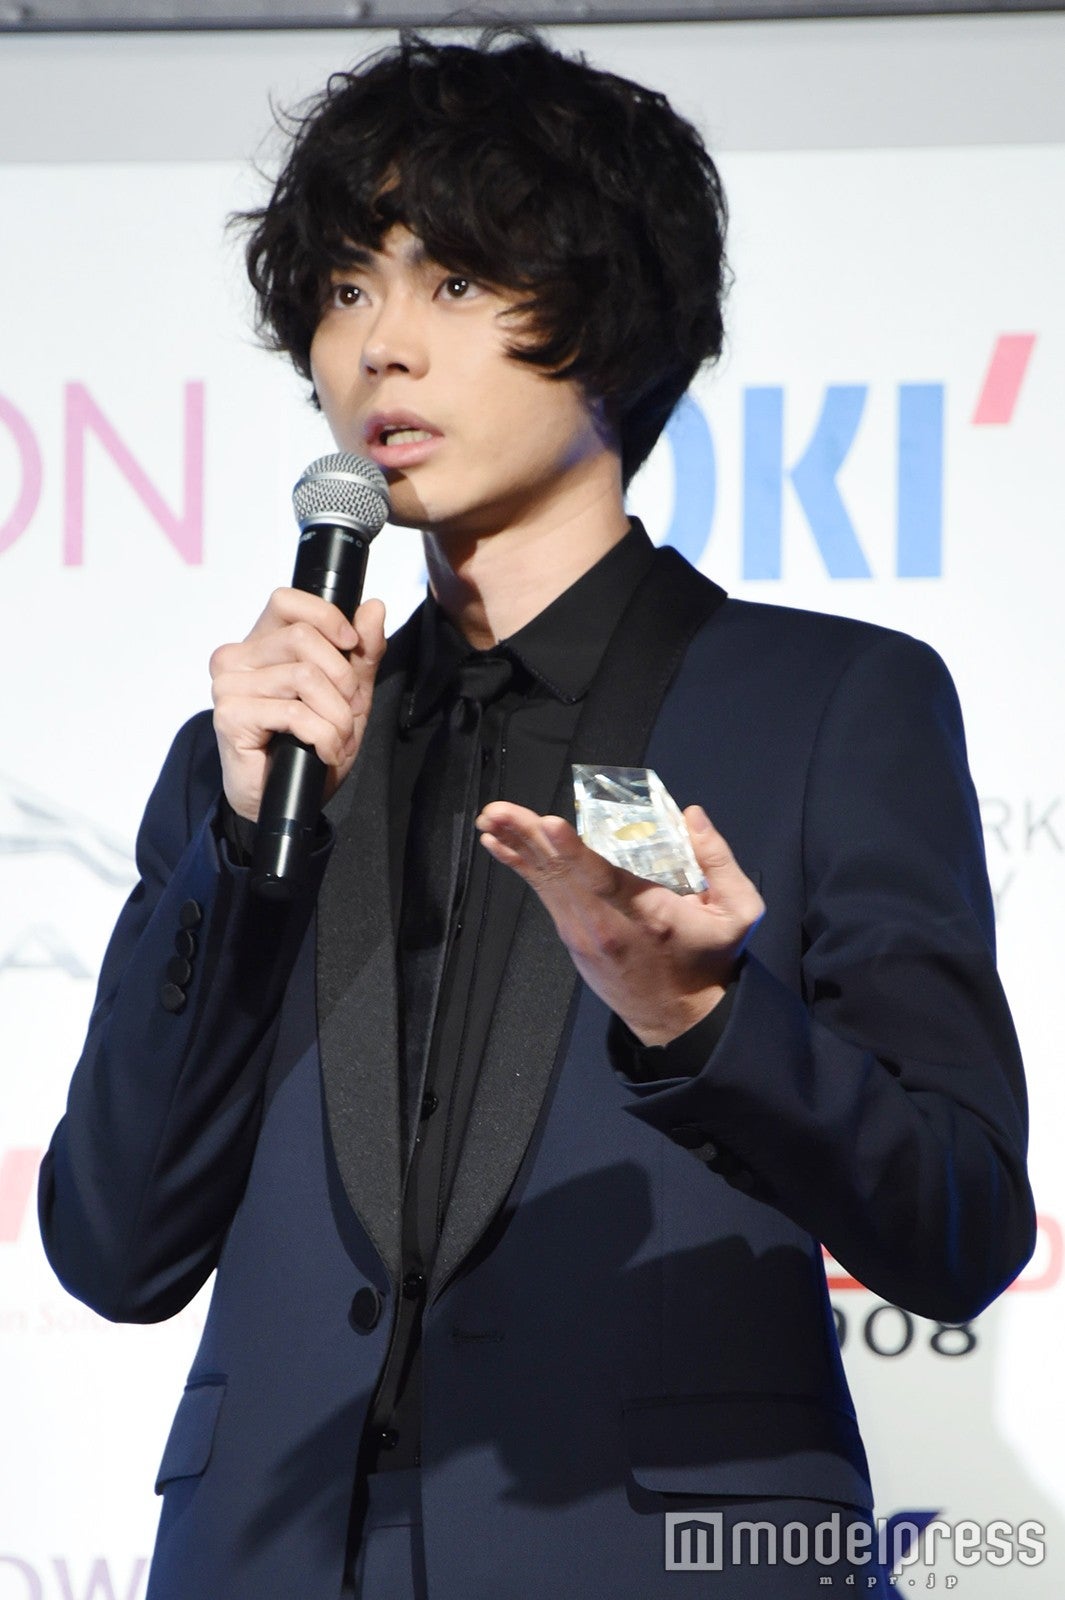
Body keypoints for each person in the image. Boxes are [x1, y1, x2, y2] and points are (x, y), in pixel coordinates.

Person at [39, 27, 1034, 1600]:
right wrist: (242, 861)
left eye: (451, 281)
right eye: (345, 289)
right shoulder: (258, 754)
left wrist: (703, 1019)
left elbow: (960, 1229)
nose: (379, 347)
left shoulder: (824, 707)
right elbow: (115, 1248)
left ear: (610, 320)